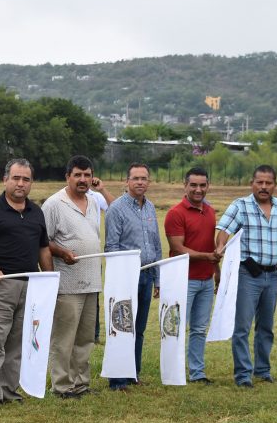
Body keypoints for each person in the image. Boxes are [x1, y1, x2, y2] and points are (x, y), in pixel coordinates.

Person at [0, 159, 54, 412]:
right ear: (5, 180)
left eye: (26, 179)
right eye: (16, 178)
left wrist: (49, 279)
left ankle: (7, 390)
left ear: (31, 183)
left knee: (17, 342)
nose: (20, 183)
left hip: (29, 287)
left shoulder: (36, 212)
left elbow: (43, 248)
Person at [215, 165, 277, 388]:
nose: (264, 186)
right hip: (248, 274)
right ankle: (243, 375)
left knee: (266, 327)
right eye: (259, 182)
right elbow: (223, 230)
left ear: (275, 185)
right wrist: (220, 246)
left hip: (273, 275)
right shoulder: (240, 206)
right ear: (252, 183)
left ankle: (263, 370)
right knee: (242, 327)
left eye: (268, 183)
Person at [43, 156, 102, 399]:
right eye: (77, 175)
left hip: (92, 280)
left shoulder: (94, 202)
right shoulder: (54, 204)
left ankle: (81, 383)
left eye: (87, 175)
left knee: (86, 337)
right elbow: (42, 242)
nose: (83, 179)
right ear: (67, 176)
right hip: (67, 282)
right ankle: (62, 386)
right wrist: (62, 251)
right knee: (64, 337)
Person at [104, 162, 162, 391]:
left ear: (149, 182)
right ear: (126, 181)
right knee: (122, 326)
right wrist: (121, 278)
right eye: (135, 178)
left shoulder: (150, 208)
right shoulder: (116, 209)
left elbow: (156, 245)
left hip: (147, 275)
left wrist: (157, 279)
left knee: (139, 328)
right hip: (126, 277)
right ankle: (117, 380)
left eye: (144, 178)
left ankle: (132, 374)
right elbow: (111, 247)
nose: (140, 182)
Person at [164, 167, 220, 383]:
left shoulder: (211, 211)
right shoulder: (175, 213)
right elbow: (178, 248)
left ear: (208, 186)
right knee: (176, 329)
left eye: (203, 185)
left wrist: (216, 270)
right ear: (185, 185)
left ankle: (197, 373)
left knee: (198, 329)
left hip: (206, 281)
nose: (198, 189)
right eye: (194, 185)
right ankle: (173, 371)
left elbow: (212, 246)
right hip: (183, 280)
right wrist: (207, 257)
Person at [87, 177, 115, 344]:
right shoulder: (63, 197)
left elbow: (116, 208)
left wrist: (102, 190)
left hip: (94, 255)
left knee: (94, 296)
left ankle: (94, 335)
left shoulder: (95, 197)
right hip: (71, 255)